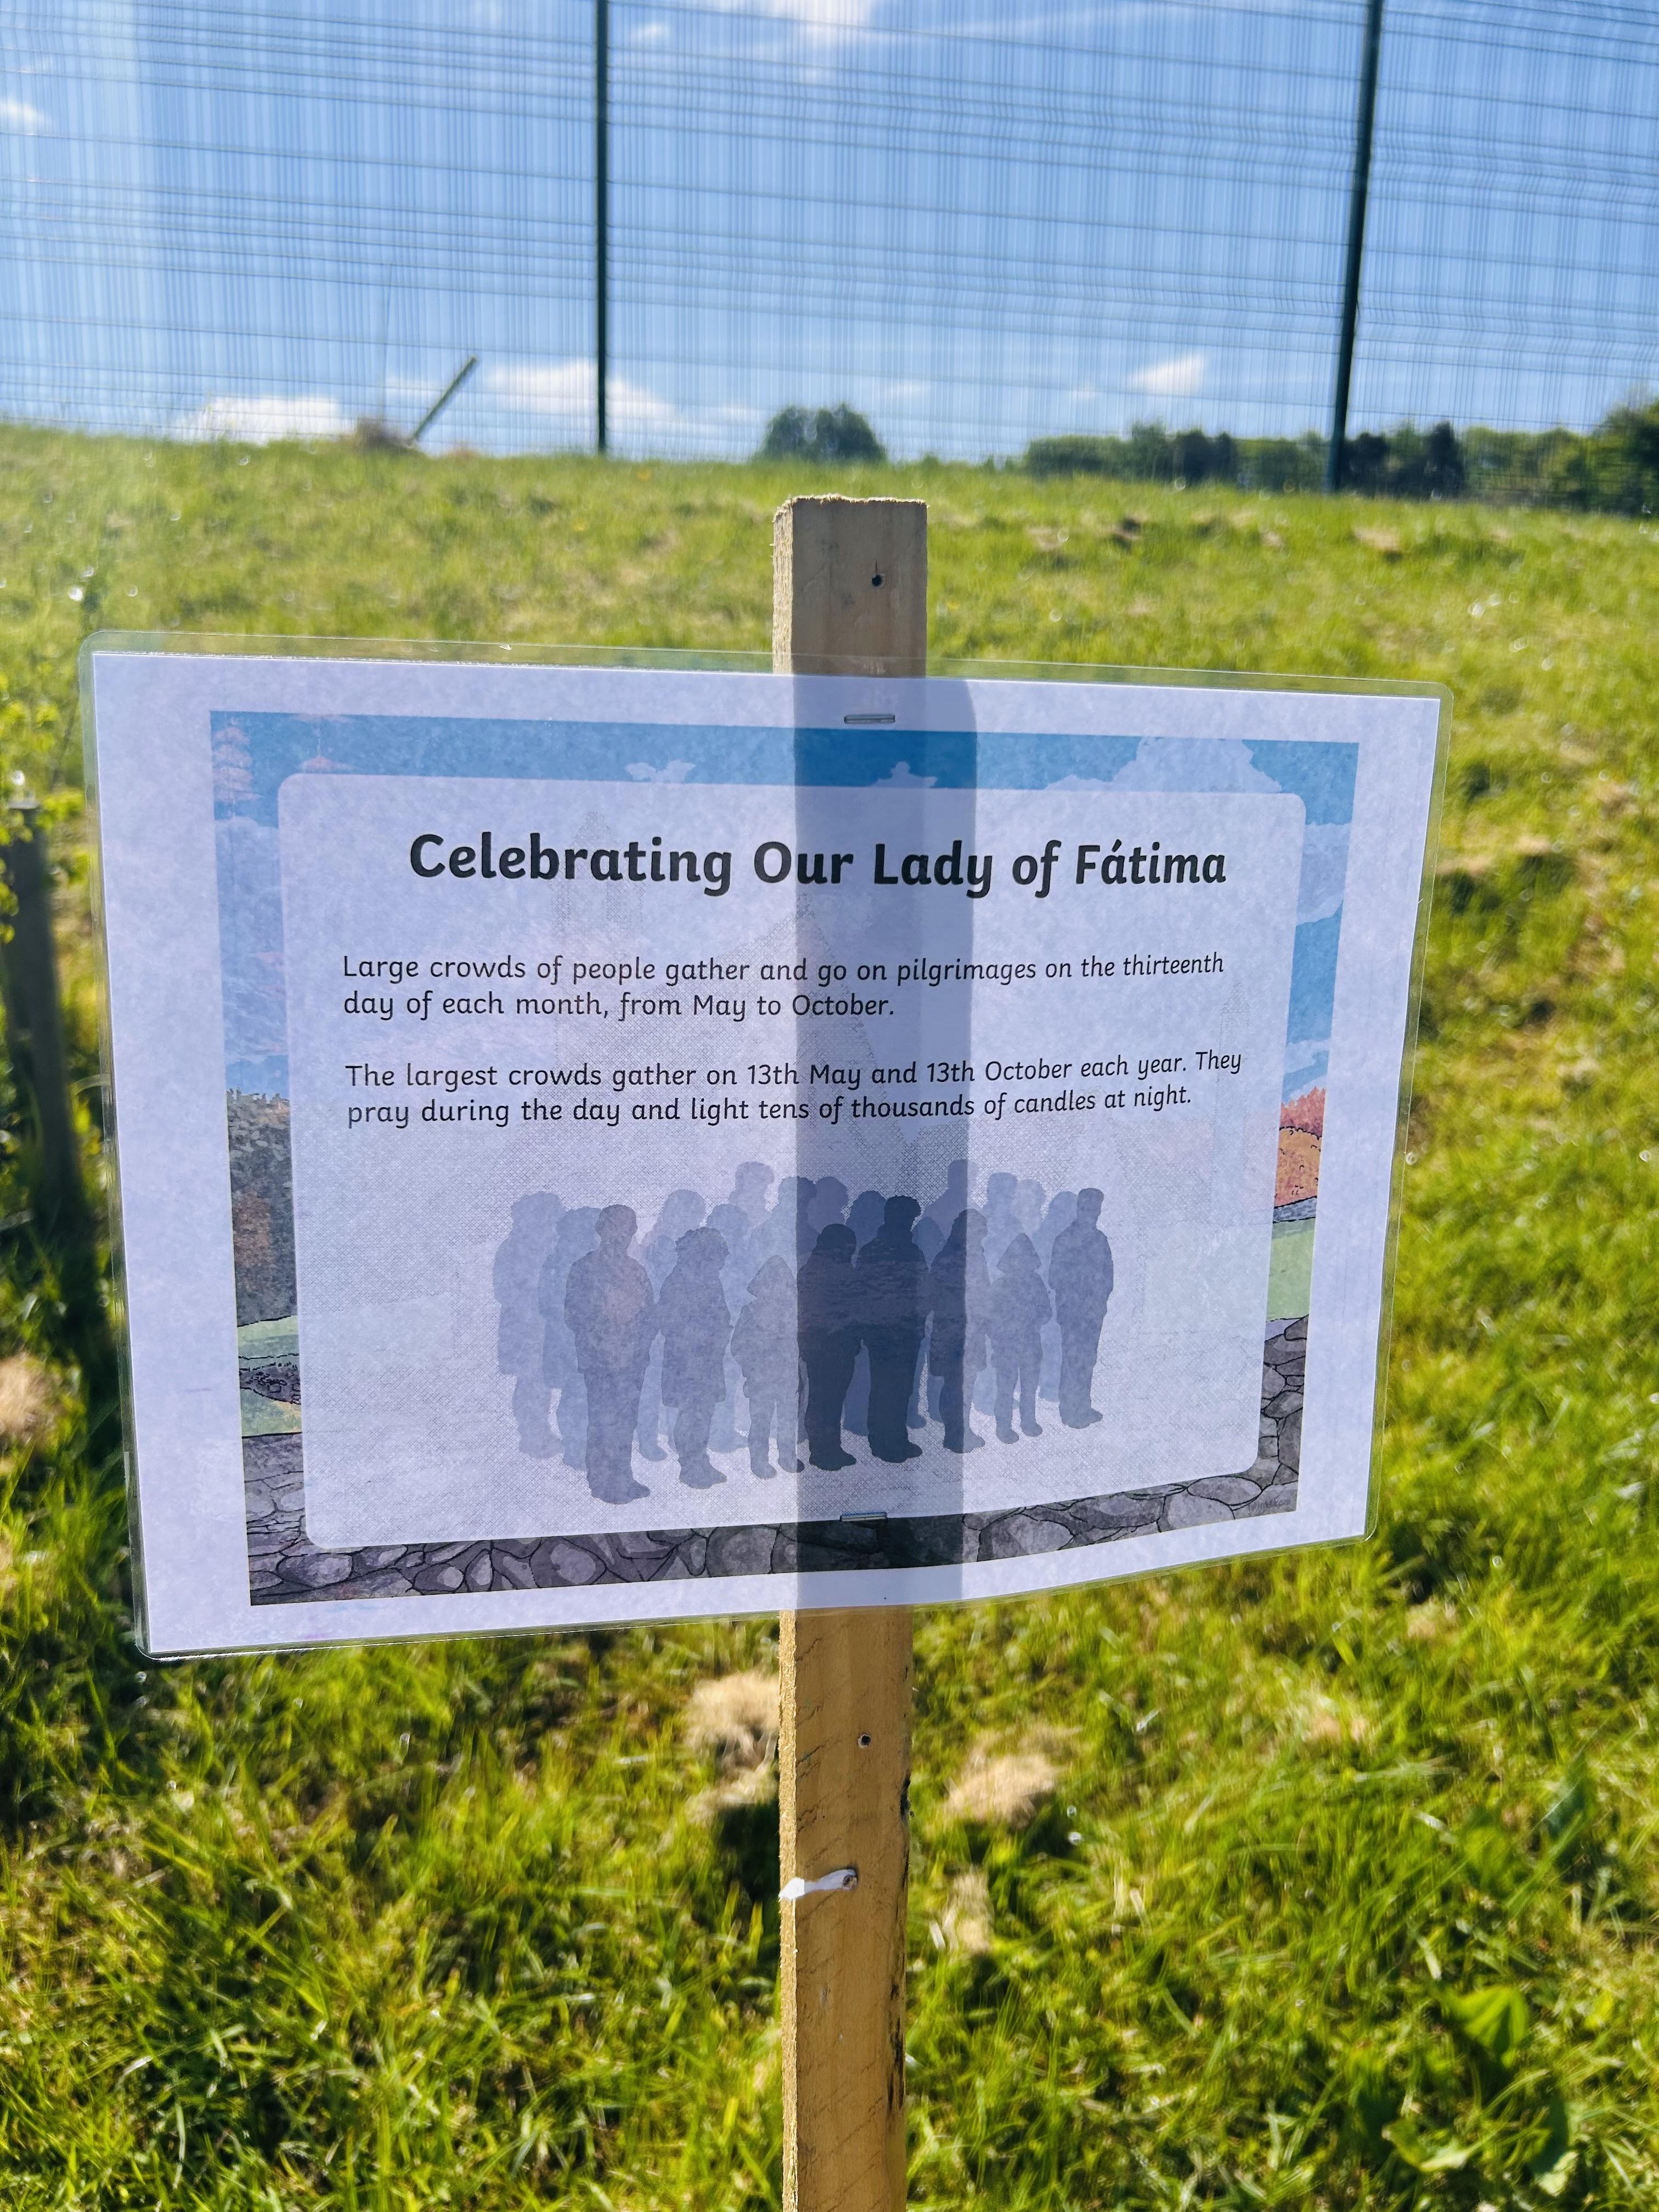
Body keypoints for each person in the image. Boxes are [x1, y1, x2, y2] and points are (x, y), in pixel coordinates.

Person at [563, 1204, 654, 1502]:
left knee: (626, 1421)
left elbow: (650, 1315)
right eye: (615, 1227)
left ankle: (623, 1477)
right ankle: (602, 1483)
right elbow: (573, 1315)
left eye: (627, 1229)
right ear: (601, 1229)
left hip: (632, 1361)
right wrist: (605, 1336)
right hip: (600, 1361)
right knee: (604, 1421)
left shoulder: (637, 1272)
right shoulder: (584, 1269)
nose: (621, 1235)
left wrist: (639, 1346)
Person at [855, 1195, 932, 1463]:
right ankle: (888, 1443)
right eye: (908, 1218)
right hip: (896, 1334)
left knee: (891, 1389)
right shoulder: (906, 1252)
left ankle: (890, 1440)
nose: (910, 1223)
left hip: (892, 1333)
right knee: (892, 1389)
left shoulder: (874, 1250)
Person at [655, 1224, 731, 1488]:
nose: (721, 1260)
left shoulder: (710, 1280)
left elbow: (721, 1315)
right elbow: (670, 1323)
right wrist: (702, 1337)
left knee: (703, 1412)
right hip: (687, 1362)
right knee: (692, 1412)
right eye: (717, 1254)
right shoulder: (679, 1281)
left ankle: (699, 1460)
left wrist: (720, 1334)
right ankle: (690, 1466)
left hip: (707, 1360)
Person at [493, 1190, 562, 1455]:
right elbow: (505, 1291)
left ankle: (538, 1435)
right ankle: (534, 1437)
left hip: (540, 1328)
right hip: (526, 1330)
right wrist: (537, 1306)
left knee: (539, 1383)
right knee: (532, 1383)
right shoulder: (515, 1249)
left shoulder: (545, 1245)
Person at [1048, 1185, 1113, 1427]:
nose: (1093, 1212)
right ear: (1079, 1208)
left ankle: (1082, 1406)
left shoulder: (1100, 1240)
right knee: (1073, 1360)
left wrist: (1099, 1301)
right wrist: (1080, 1289)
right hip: (1074, 1313)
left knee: (1088, 1360)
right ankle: (1070, 1411)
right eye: (1089, 1207)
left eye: (1096, 1208)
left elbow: (1108, 1277)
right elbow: (1055, 1277)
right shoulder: (1065, 1239)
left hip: (1093, 1313)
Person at [730, 1254, 802, 1477]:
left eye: (781, 1282)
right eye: (772, 1282)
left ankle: (787, 1456)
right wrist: (752, 1368)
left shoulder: (794, 1312)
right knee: (761, 1421)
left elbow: (801, 1343)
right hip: (761, 1378)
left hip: (788, 1376)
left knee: (788, 1420)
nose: (776, 1287)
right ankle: (759, 1461)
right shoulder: (750, 1312)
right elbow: (738, 1345)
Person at [797, 1223, 859, 1471]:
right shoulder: (820, 1270)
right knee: (824, 1401)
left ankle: (830, 1448)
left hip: (836, 1344)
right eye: (847, 1246)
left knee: (831, 1401)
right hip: (826, 1345)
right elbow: (817, 1312)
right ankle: (822, 1452)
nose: (850, 1250)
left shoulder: (827, 1267)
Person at [928, 1209, 989, 1452]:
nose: (983, 1235)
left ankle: (960, 1430)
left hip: (966, 1331)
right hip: (957, 1332)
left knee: (963, 1384)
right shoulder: (954, 1258)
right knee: (957, 1385)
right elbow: (947, 1297)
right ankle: (955, 1434)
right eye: (979, 1231)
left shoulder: (971, 1254)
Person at [988, 1232, 1051, 1443]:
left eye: (1025, 1258)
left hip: (1031, 1345)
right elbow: (990, 1318)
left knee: (1030, 1388)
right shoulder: (1000, 1286)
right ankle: (1003, 1427)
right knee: (1005, 1389)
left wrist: (1032, 1321)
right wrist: (1003, 1334)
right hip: (1007, 1346)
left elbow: (1046, 1312)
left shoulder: (1036, 1282)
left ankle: (1028, 1422)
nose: (1021, 1263)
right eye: (1017, 1258)